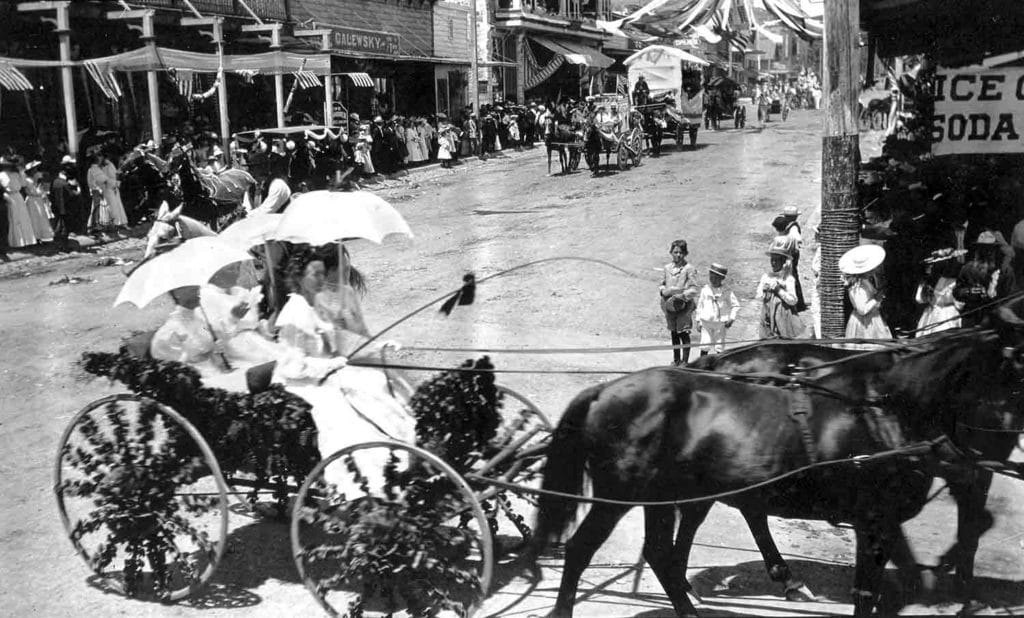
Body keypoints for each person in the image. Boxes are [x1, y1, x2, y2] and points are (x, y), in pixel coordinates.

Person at [954, 231, 1014, 327]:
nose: (986, 252)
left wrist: (994, 296)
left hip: (995, 321)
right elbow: (956, 292)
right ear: (977, 250)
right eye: (982, 249)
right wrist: (969, 291)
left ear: (995, 251)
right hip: (971, 319)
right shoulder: (967, 268)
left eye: (989, 249)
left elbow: (1010, 297)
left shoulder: (1005, 271)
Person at [838, 244, 893, 348]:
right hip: (864, 323)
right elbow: (862, 310)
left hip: (873, 318)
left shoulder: (867, 281)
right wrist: (876, 298)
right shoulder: (857, 287)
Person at [150, 285, 216, 364]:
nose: (196, 289)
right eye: (190, 288)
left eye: (196, 286)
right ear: (176, 293)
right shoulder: (169, 331)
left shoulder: (203, 318)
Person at [659, 239, 699, 365]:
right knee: (674, 333)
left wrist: (681, 295)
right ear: (671, 252)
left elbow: (694, 289)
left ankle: (685, 362)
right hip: (669, 306)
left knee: (683, 333)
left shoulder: (689, 269)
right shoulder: (667, 268)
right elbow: (662, 284)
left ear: (685, 253)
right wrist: (664, 291)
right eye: (675, 252)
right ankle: (676, 360)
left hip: (684, 306)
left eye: (681, 252)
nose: (678, 255)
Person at [756, 236, 804, 339]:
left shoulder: (788, 279)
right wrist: (764, 292)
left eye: (777, 260)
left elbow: (793, 300)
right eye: (772, 260)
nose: (773, 263)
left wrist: (779, 291)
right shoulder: (766, 277)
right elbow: (758, 296)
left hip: (783, 315)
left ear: (783, 262)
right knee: (766, 338)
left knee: (783, 339)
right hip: (767, 313)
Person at [914, 248, 964, 336]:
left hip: (948, 315)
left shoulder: (955, 281)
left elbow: (960, 303)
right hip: (931, 314)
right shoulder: (929, 281)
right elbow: (920, 299)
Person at [695, 263, 739, 356]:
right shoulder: (705, 289)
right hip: (706, 322)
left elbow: (735, 305)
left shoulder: (726, 291)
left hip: (720, 323)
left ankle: (718, 365)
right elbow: (700, 305)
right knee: (705, 344)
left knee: (719, 346)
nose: (713, 279)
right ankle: (702, 365)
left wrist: (731, 318)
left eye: (717, 277)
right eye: (712, 276)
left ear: (722, 278)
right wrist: (698, 320)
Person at [1, 155, 37, 248]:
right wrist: (5, 197)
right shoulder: (1, 175)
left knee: (22, 218)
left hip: (18, 196)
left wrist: (21, 173)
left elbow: (23, 184)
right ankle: (15, 241)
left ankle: (26, 240)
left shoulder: (16, 174)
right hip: (9, 196)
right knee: (13, 218)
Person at [49, 155, 83, 250]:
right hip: (66, 208)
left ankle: (60, 244)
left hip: (57, 208)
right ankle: (63, 246)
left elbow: (51, 195)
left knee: (59, 226)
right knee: (64, 227)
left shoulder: (55, 181)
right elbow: (72, 195)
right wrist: (78, 190)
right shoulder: (64, 184)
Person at [23, 161, 53, 243]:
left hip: (38, 200)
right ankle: (34, 237)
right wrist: (38, 186)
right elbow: (33, 191)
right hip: (32, 201)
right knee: (33, 219)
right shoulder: (27, 180)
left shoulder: (37, 179)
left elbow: (42, 191)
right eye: (34, 169)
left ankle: (41, 236)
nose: (36, 171)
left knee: (41, 217)